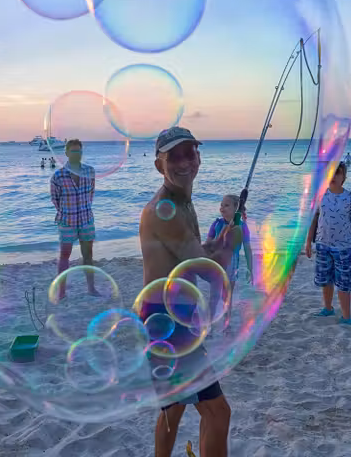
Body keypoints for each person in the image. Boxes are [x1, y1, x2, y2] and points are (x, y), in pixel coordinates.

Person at [140, 126, 238, 457]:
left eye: (190, 153)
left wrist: (218, 242)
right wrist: (229, 248)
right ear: (159, 165)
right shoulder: (163, 209)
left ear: (199, 158)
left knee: (174, 408)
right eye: (174, 157)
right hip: (166, 320)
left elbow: (196, 250)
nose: (184, 163)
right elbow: (206, 271)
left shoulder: (182, 202)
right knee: (218, 412)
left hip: (174, 316)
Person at [305, 161, 351, 326]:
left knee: (344, 283)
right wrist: (308, 241)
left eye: (338, 173)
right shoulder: (320, 196)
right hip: (323, 245)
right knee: (326, 279)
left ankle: (346, 316)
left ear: (343, 177)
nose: (333, 176)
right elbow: (314, 218)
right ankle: (328, 307)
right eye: (330, 173)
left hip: (344, 247)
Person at [50, 139, 97, 297]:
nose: (77, 154)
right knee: (65, 255)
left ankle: (91, 288)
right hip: (67, 221)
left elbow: (91, 194)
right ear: (67, 153)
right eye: (74, 151)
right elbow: (55, 199)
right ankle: (62, 292)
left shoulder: (90, 172)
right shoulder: (58, 176)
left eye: (79, 151)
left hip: (86, 219)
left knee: (88, 254)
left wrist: (82, 208)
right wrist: (67, 212)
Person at [205, 194, 253, 325]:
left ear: (236, 209)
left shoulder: (242, 227)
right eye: (221, 204)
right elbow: (208, 244)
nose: (222, 207)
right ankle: (209, 323)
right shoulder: (216, 223)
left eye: (226, 205)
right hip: (217, 262)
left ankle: (227, 322)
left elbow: (248, 249)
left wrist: (250, 268)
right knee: (214, 296)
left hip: (232, 263)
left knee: (227, 295)